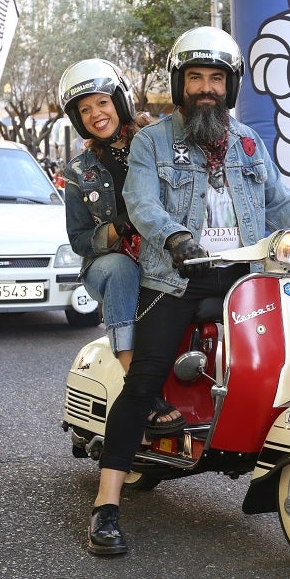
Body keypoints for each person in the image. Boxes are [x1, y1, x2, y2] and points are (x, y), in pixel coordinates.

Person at [86, 27, 290, 556]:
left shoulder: (251, 144)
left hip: (246, 272)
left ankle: (261, 437)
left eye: (215, 78)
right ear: (180, 84)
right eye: (195, 77)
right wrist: (176, 237)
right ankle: (106, 505)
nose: (205, 88)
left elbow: (284, 207)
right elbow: (141, 202)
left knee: (286, 352)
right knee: (143, 382)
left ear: (229, 87)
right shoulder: (152, 141)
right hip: (177, 274)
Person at [58, 59, 183, 434]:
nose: (96, 114)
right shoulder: (79, 172)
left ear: (119, 100)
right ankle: (140, 387)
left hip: (162, 255)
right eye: (85, 109)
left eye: (102, 103)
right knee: (119, 268)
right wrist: (119, 226)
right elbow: (81, 241)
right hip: (107, 266)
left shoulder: (156, 141)